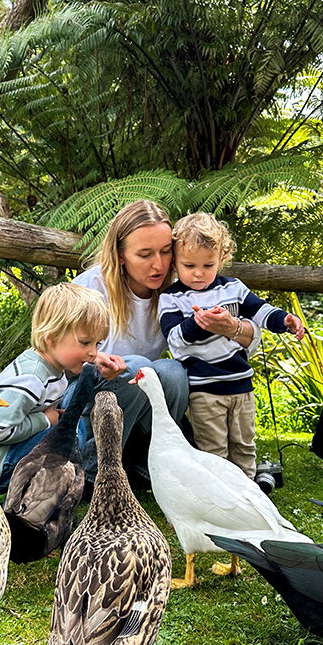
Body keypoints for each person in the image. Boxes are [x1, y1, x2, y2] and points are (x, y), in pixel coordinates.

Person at [158, 212, 305, 481]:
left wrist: (284, 320)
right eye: (189, 265)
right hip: (204, 391)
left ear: (221, 258)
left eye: (208, 265)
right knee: (213, 451)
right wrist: (198, 324)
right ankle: (221, 498)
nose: (199, 273)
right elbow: (175, 339)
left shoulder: (233, 288)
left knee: (244, 447)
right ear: (174, 262)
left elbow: (260, 311)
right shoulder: (171, 298)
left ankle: (248, 495)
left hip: (241, 387)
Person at [70, 199, 190, 483]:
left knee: (172, 372)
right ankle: (93, 471)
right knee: (137, 367)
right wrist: (92, 359)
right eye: (145, 254)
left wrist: (234, 328)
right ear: (120, 255)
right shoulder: (90, 288)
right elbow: (56, 354)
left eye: (165, 251)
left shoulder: (176, 293)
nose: (158, 264)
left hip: (134, 404)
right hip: (89, 399)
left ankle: (152, 464)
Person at [0, 282, 110, 495]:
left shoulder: (53, 369)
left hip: (5, 455)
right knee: (67, 435)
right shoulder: (31, 378)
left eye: (97, 344)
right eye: (85, 343)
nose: (93, 353)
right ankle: (19, 505)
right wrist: (46, 420)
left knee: (74, 427)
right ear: (52, 337)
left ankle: (41, 495)